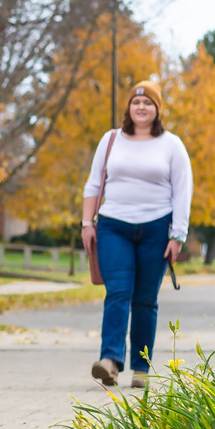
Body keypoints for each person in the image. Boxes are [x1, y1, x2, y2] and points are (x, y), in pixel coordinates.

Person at [82, 80, 192, 390]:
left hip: (157, 229)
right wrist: (86, 223)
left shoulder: (172, 145)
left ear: (157, 110)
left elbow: (183, 192)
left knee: (145, 299)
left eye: (148, 103)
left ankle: (141, 367)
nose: (141, 107)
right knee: (117, 292)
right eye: (135, 102)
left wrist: (178, 236)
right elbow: (93, 184)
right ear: (129, 108)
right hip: (113, 226)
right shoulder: (111, 140)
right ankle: (110, 361)